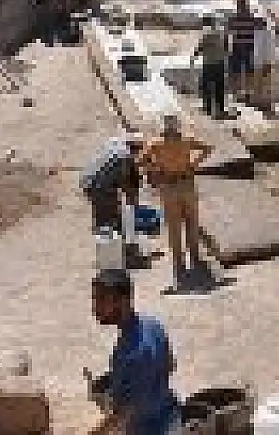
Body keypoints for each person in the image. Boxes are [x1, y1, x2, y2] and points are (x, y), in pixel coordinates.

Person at [88, 269, 182, 435]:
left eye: (102, 299)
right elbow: (170, 365)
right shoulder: (153, 326)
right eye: (95, 299)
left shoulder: (134, 352)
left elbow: (123, 415)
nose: (95, 308)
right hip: (170, 418)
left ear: (123, 301)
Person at [138, 114, 214, 288]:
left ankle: (179, 263)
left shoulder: (157, 144)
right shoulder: (186, 141)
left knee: (174, 227)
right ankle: (195, 257)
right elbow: (208, 148)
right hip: (186, 183)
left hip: (169, 185)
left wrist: (156, 168)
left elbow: (141, 161)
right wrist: (193, 164)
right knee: (192, 222)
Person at [80, 133, 144, 259]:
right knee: (109, 221)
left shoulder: (114, 143)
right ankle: (116, 257)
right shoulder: (125, 157)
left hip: (89, 181)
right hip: (100, 186)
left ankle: (112, 255)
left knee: (106, 219)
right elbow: (127, 186)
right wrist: (133, 207)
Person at [192, 15, 228, 118]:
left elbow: (200, 48)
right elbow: (226, 47)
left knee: (206, 87)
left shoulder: (205, 33)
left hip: (208, 63)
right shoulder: (221, 32)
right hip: (220, 63)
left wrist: (195, 56)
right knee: (219, 87)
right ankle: (220, 109)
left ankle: (207, 108)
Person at [226, 0, 258, 102]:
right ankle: (237, 93)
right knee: (238, 72)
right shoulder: (237, 20)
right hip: (240, 49)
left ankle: (246, 93)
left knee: (247, 72)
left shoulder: (250, 20)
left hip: (247, 49)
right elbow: (228, 34)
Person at [251, 6, 278, 115]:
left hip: (265, 63)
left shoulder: (268, 33)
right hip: (257, 63)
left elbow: (269, 50)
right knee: (258, 85)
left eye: (258, 20)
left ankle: (267, 105)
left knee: (266, 85)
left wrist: (267, 64)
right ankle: (260, 103)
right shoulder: (256, 33)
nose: (256, 22)